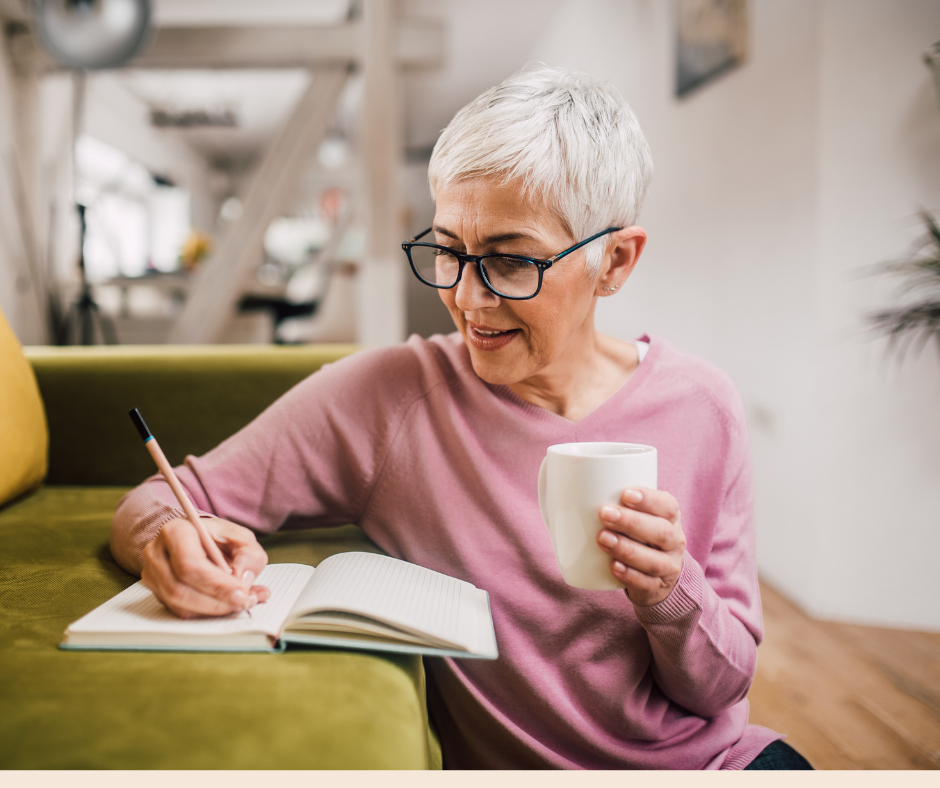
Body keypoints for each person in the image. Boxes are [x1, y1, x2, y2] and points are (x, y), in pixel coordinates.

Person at [111, 66, 811, 770]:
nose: (469, 298)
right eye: (448, 250)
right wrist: (166, 540)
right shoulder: (388, 398)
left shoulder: (704, 407)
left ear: (615, 261)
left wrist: (669, 592)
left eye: (510, 262)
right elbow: (162, 498)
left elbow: (722, 686)